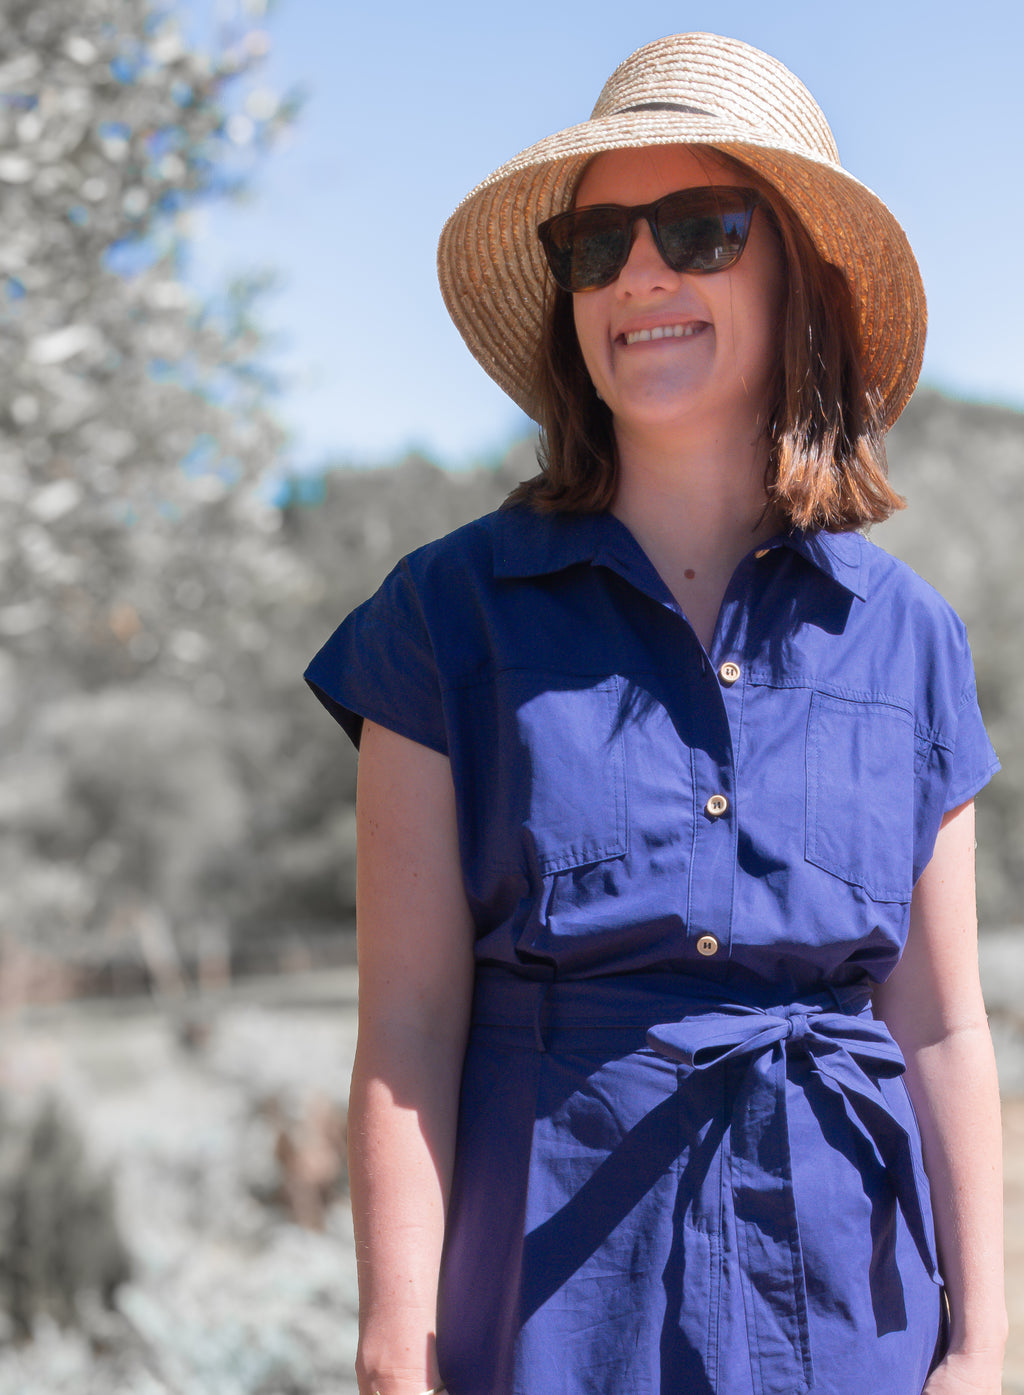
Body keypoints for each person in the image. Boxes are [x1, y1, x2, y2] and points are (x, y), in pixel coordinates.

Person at [305, 32, 1006, 1395]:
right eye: (599, 243)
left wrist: (984, 1346)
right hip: (550, 1298)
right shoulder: (443, 619)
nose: (642, 274)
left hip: (847, 1296)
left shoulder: (908, 636)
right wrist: (398, 1339)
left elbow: (943, 1026)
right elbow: (405, 1023)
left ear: (796, 279)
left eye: (700, 229)